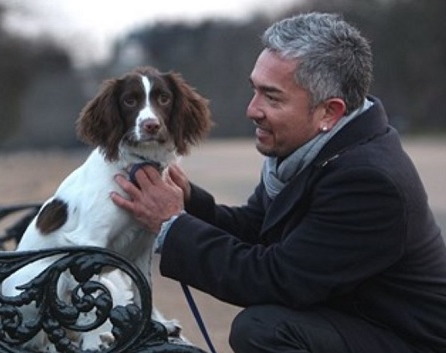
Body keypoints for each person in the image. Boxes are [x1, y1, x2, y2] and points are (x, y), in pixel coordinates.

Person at [111, 12, 446, 353]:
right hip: (354, 319)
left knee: (263, 329)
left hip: (408, 340)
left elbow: (276, 279)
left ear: (329, 112)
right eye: (254, 90)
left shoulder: (369, 181)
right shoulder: (311, 149)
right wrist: (189, 201)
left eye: (272, 98)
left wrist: (172, 224)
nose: (252, 109)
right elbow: (259, 229)